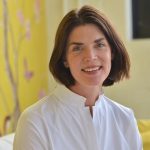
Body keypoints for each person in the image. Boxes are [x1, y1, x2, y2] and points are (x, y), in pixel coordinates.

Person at [13, 5, 142, 150]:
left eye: (99, 45)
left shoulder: (125, 118)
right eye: (77, 48)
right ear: (64, 59)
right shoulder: (34, 121)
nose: (91, 57)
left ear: (112, 52)